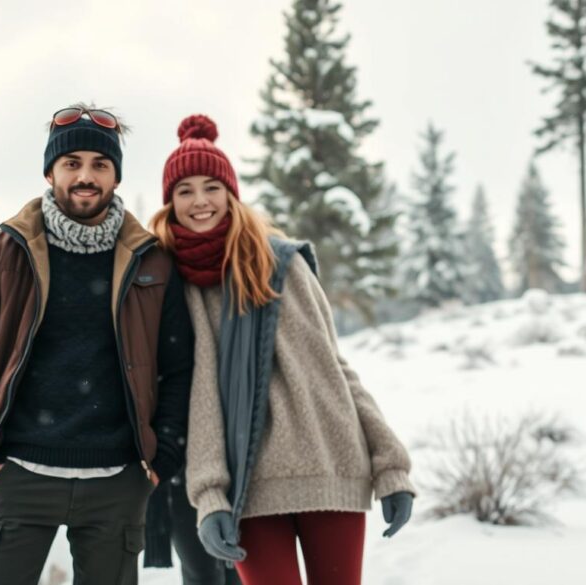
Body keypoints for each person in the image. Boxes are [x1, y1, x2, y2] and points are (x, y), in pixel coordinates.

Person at [149, 114, 416, 585]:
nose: (199, 202)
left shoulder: (280, 264)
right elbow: (204, 395)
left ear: (230, 193)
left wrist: (390, 465)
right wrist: (210, 495)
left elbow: (334, 368)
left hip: (328, 466)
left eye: (210, 187)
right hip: (250, 486)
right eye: (184, 190)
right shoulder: (175, 283)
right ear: (170, 203)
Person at [0, 104, 194, 585]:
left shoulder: (153, 263)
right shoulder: (2, 254)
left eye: (100, 164)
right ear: (50, 171)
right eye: (72, 163)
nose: (86, 176)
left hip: (118, 481)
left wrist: (159, 459)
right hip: (18, 475)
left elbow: (179, 369)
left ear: (116, 177)